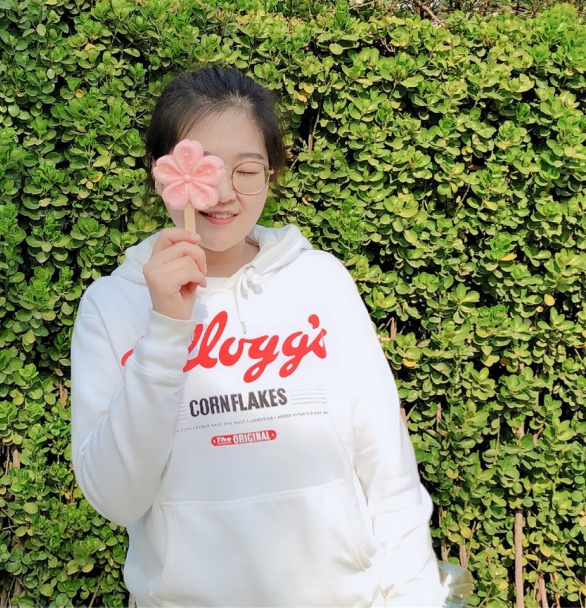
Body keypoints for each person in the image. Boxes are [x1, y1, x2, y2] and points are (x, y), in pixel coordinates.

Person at [70, 65, 447, 607]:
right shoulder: (112, 306)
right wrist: (166, 329)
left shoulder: (320, 282)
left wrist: (417, 597)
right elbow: (116, 499)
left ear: (270, 172)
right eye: (203, 168)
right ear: (161, 171)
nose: (224, 193)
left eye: (246, 170)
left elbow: (388, 470)